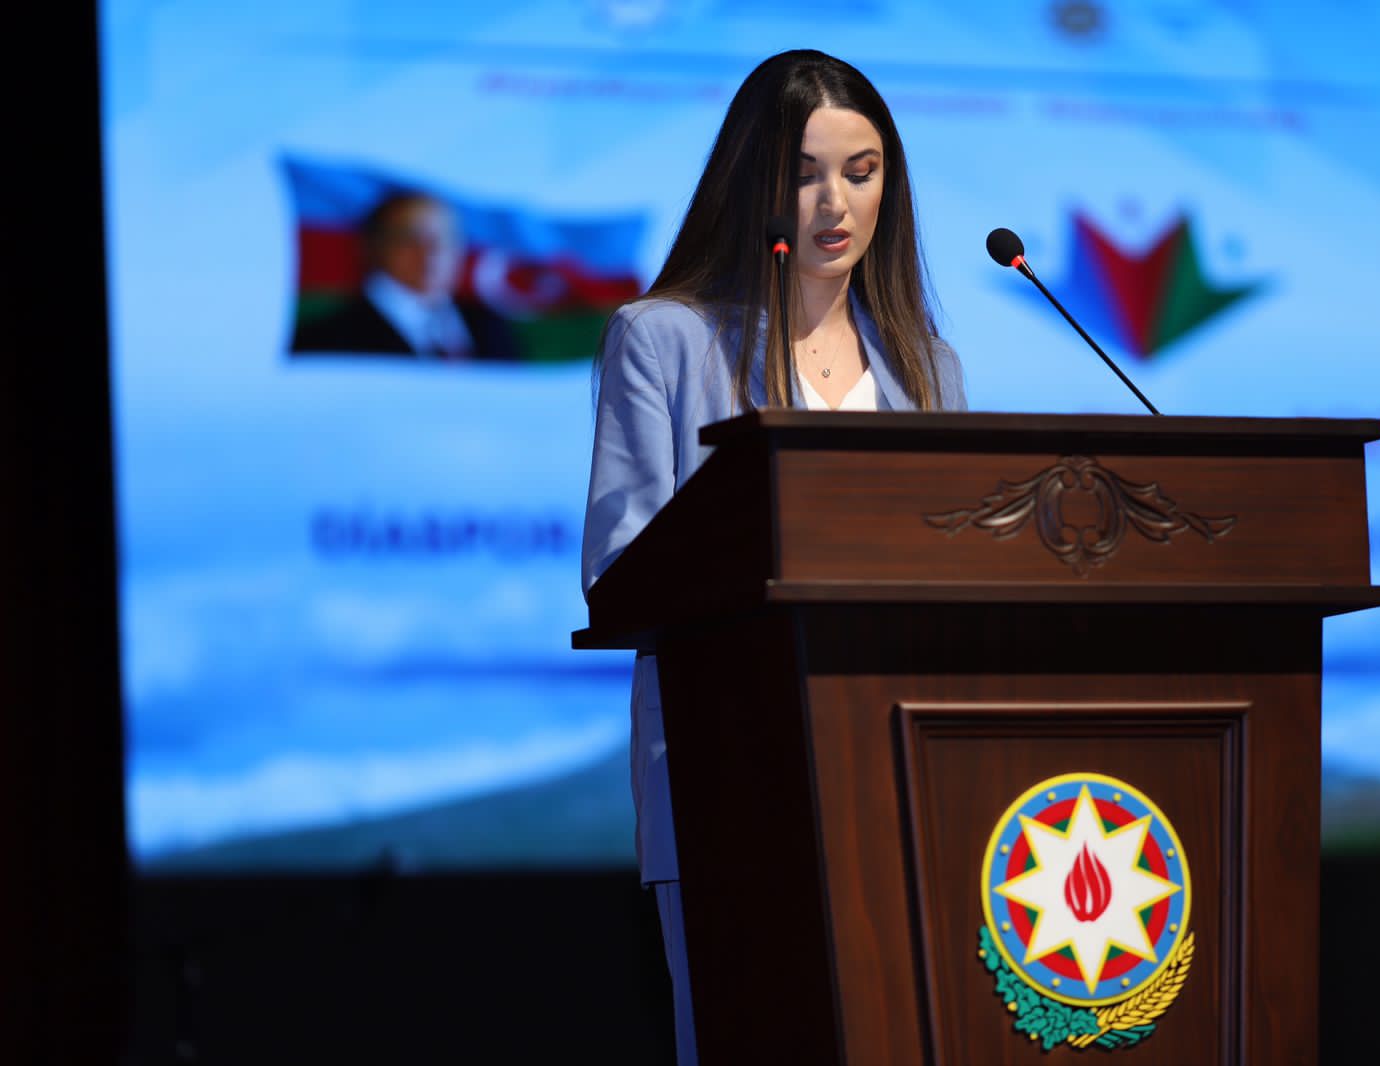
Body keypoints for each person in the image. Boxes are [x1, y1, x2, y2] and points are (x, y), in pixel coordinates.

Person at [580, 49, 966, 1064]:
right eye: (804, 173)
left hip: (902, 774)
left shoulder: (925, 365)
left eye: (861, 171)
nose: (836, 203)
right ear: (754, 182)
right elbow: (620, 571)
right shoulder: (662, 339)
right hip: (729, 776)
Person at [291, 190, 518, 361]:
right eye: (412, 238)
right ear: (374, 247)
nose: (431, 252)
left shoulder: (490, 327)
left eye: (444, 238)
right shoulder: (326, 341)